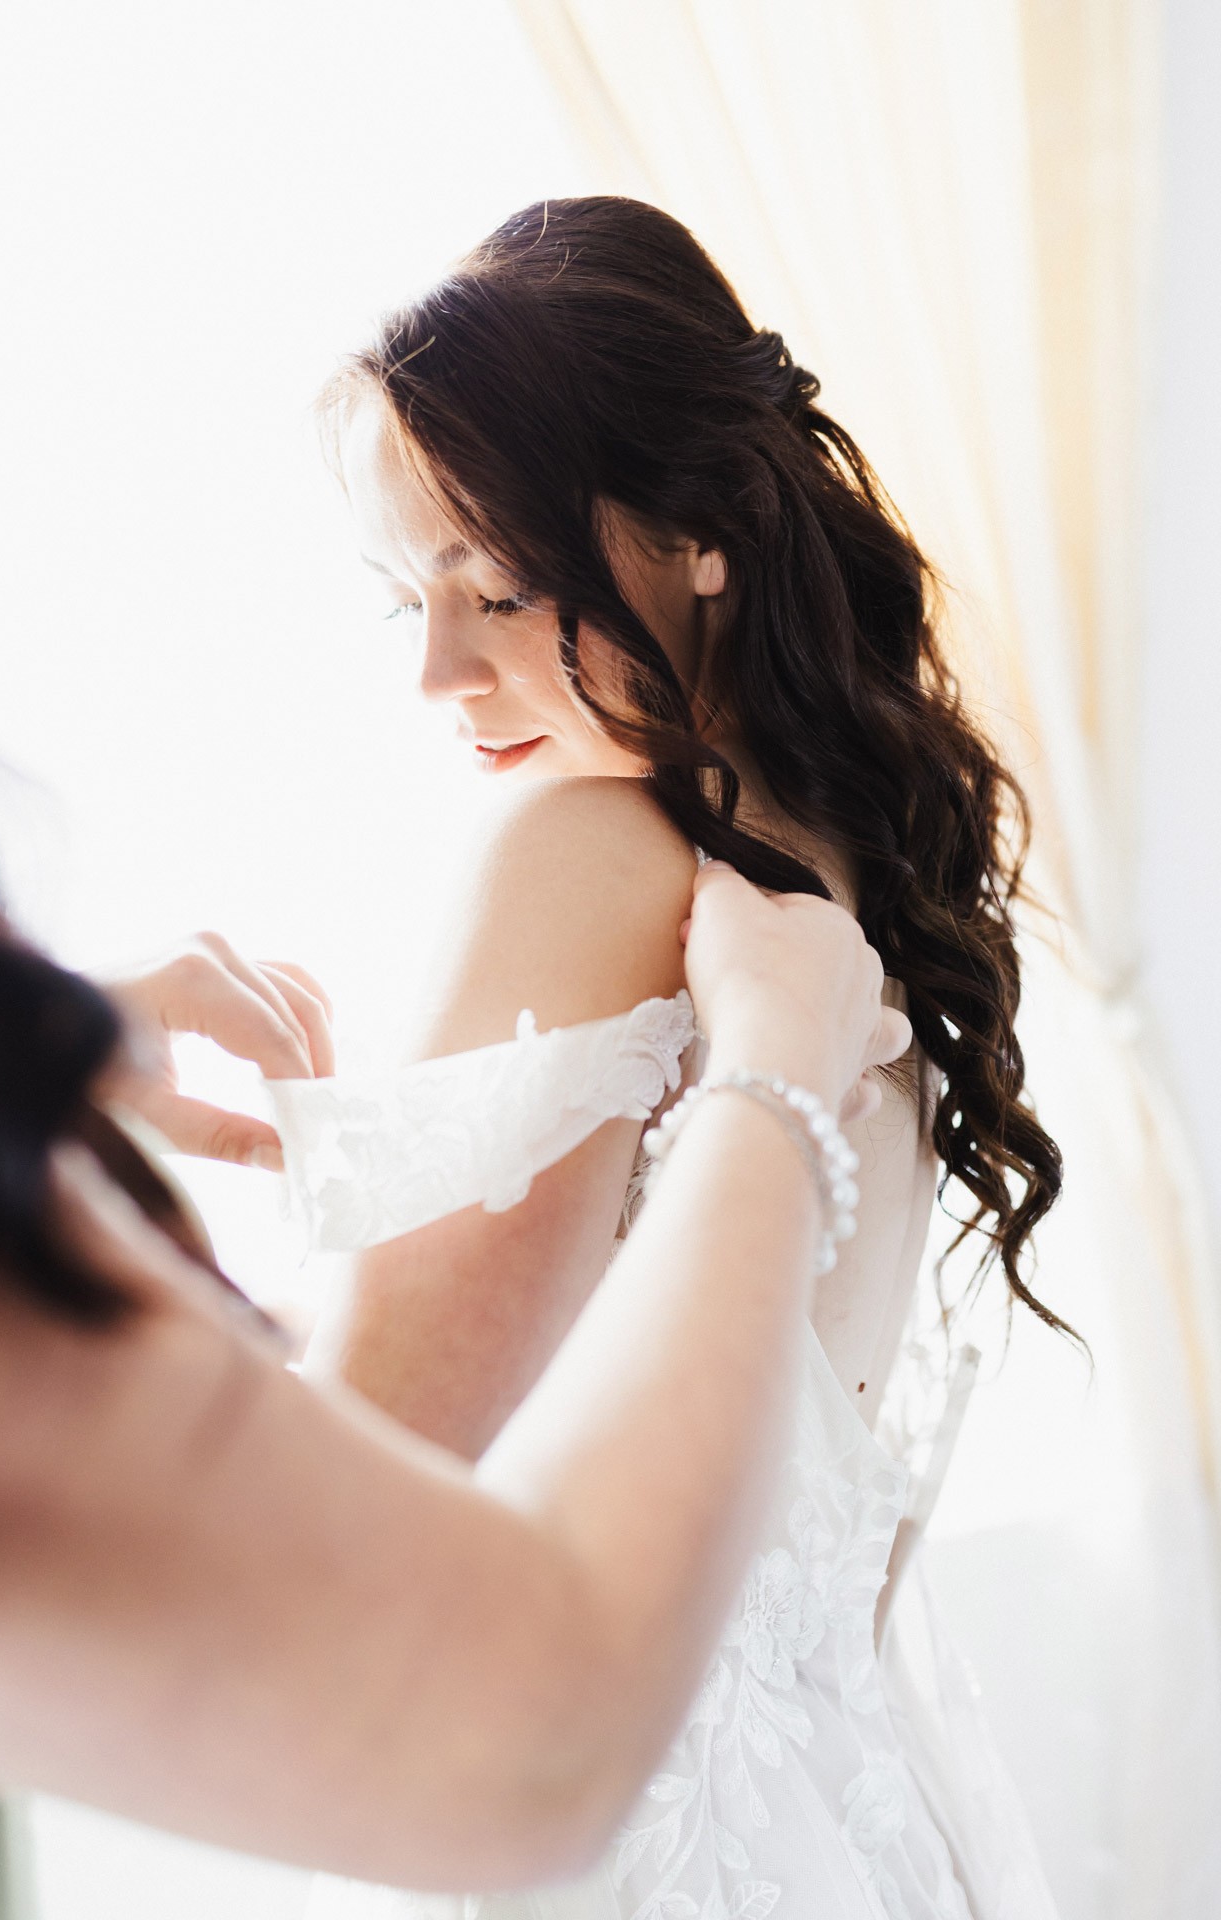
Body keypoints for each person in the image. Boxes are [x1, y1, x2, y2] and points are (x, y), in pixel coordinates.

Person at [279, 196, 1068, 1918]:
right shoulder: (855, 872)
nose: (436, 673)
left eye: (493, 588)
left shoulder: (583, 850)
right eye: (406, 600)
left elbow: (350, 1506)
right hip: (856, 1843)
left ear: (702, 532)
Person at [0, 814, 908, 1892]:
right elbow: (520, 1714)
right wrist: (777, 1060)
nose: (444, 704)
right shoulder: (851, 897)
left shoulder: (589, 857)